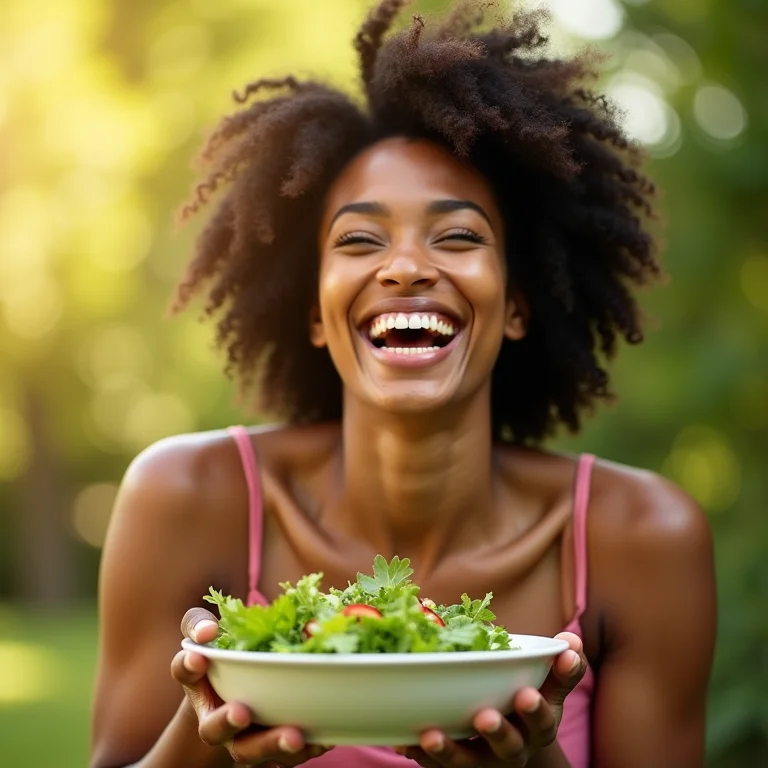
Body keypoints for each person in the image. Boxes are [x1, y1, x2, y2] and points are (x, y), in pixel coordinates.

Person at [89, 2, 716, 767]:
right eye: (360, 240)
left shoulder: (642, 538)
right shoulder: (185, 498)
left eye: (457, 236)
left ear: (517, 305)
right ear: (314, 312)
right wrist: (210, 728)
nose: (407, 267)